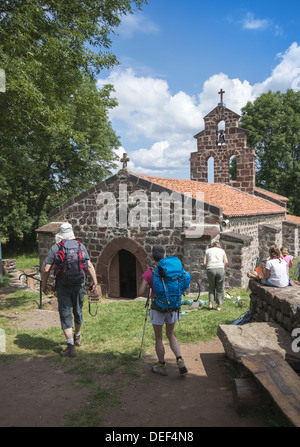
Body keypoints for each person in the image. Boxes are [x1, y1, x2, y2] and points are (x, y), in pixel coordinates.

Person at [42, 222, 99, 357]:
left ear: (61, 235)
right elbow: (89, 265)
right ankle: (78, 335)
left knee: (65, 312)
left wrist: (44, 285)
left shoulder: (56, 248)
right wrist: (95, 283)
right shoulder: (80, 246)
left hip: (63, 285)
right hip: (79, 284)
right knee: (78, 310)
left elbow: (46, 269)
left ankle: (70, 345)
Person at [139, 245, 188, 376]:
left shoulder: (150, 272)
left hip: (158, 307)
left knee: (159, 338)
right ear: (165, 255)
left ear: (152, 256)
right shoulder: (172, 269)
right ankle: (179, 359)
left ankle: (162, 365)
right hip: (172, 306)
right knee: (171, 335)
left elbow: (140, 291)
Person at [203, 241, 228, 311]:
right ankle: (218, 306)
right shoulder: (222, 251)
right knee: (219, 287)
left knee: (211, 287)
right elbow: (226, 261)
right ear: (218, 246)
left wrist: (208, 267)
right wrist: (222, 267)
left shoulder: (207, 251)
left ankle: (210, 304)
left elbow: (204, 263)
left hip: (210, 269)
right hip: (220, 268)